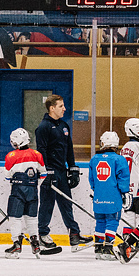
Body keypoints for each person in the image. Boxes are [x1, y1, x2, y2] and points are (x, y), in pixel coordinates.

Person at [36, 94, 92, 250]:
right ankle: (43, 235)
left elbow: (69, 149)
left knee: (67, 204)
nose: (64, 109)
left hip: (62, 171)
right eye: (61, 106)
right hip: (50, 173)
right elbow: (41, 151)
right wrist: (46, 171)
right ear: (52, 108)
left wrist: (72, 168)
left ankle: (74, 235)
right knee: (47, 204)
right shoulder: (43, 127)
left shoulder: (64, 126)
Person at [3, 128, 47, 259]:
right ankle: (35, 243)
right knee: (31, 217)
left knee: (14, 217)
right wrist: (33, 183)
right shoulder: (37, 154)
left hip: (18, 191)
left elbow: (7, 177)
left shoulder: (11, 156)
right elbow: (43, 174)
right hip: (33, 191)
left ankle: (16, 243)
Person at [88, 131, 131, 260]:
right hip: (114, 197)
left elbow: (92, 179)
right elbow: (123, 179)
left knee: (100, 221)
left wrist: (96, 190)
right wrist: (125, 193)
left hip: (99, 197)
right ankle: (108, 249)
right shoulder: (119, 159)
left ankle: (98, 248)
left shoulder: (94, 159)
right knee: (112, 222)